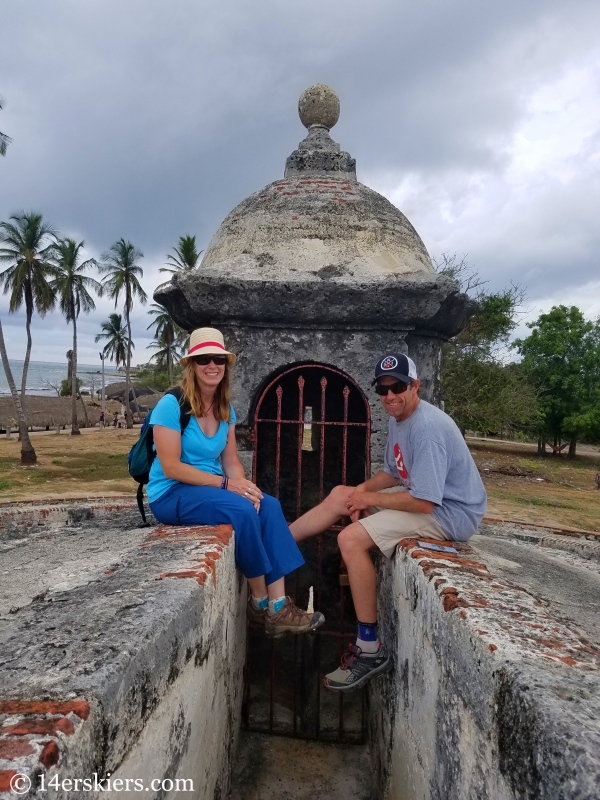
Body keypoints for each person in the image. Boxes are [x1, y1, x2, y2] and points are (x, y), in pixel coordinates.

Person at [290, 352, 487, 692]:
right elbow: (393, 472)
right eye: (383, 389)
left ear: (416, 386)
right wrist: (359, 492)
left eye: (398, 387)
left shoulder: (426, 428)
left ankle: (369, 648)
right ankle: (277, 542)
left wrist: (370, 499)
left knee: (350, 539)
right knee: (341, 493)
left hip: (450, 515)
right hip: (429, 504)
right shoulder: (400, 419)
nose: (390, 396)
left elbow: (425, 502)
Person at [148, 327, 325, 638]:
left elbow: (231, 462)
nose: (212, 365)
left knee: (267, 505)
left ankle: (279, 605)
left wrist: (246, 488)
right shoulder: (170, 405)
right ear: (191, 365)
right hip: (172, 493)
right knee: (241, 512)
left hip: (209, 489)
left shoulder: (225, 410)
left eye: (218, 358)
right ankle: (259, 603)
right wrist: (228, 486)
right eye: (203, 359)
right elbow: (172, 466)